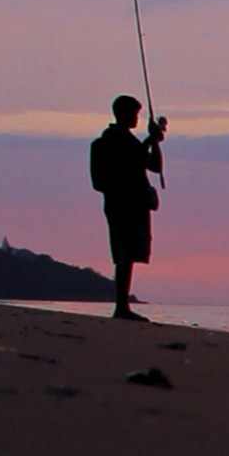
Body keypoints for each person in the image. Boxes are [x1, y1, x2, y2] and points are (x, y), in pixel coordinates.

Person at [90, 93, 165, 320]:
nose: (136, 118)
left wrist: (154, 141)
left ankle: (122, 306)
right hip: (124, 205)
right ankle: (121, 307)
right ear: (124, 113)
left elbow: (154, 165)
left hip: (124, 205)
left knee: (128, 254)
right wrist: (151, 139)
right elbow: (135, 158)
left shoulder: (126, 140)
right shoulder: (115, 138)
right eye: (135, 113)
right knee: (125, 253)